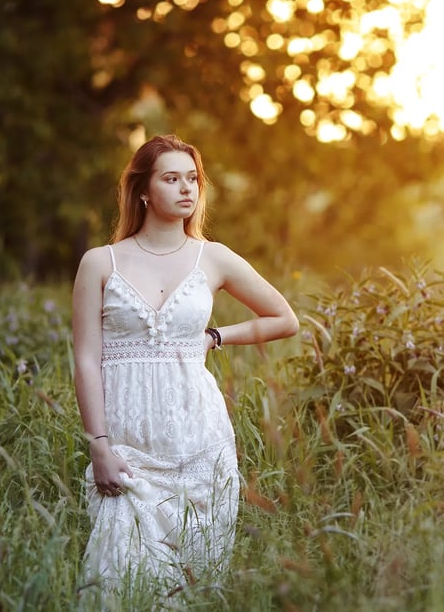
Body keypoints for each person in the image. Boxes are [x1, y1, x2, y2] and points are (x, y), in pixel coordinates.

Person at [71, 134, 299, 594]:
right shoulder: (101, 262)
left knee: (192, 587)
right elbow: (86, 357)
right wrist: (99, 444)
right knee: (118, 582)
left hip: (200, 443)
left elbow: (284, 319)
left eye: (192, 179)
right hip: (127, 448)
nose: (186, 189)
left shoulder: (212, 257)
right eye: (171, 179)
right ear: (143, 190)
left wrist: (215, 336)